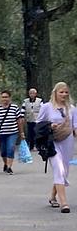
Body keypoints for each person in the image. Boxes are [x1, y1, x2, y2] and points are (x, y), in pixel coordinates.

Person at [37, 82, 77, 213]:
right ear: (55, 93)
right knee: (59, 169)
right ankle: (64, 202)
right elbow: (38, 124)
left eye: (66, 92)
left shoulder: (72, 108)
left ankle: (53, 196)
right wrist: (50, 125)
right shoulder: (47, 107)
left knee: (64, 171)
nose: (64, 94)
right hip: (52, 142)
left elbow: (75, 126)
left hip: (68, 142)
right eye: (61, 92)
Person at [0, 90, 25, 174]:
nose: (4, 99)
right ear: (0, 98)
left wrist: (21, 132)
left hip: (12, 132)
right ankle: (5, 163)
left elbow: (19, 121)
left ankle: (9, 167)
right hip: (0, 133)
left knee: (11, 148)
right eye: (3, 97)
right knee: (3, 151)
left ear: (9, 98)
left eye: (6, 97)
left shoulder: (14, 108)